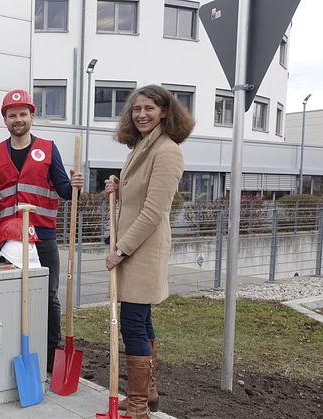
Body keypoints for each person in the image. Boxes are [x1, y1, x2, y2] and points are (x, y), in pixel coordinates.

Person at [104, 85, 194, 419]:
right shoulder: (142, 147)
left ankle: (139, 406)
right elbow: (138, 196)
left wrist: (122, 250)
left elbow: (154, 211)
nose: (141, 114)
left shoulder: (167, 151)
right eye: (137, 109)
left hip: (142, 250)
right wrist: (119, 186)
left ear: (165, 112)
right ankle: (148, 393)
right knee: (141, 320)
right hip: (132, 249)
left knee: (133, 325)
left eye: (149, 109)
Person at [0, 89, 85, 372]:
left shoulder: (49, 149)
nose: (18, 119)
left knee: (48, 296)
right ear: (5, 120)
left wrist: (74, 184)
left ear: (32, 116)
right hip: (7, 239)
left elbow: (63, 190)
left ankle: (52, 352)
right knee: (10, 295)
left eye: (23, 114)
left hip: (43, 236)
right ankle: (15, 348)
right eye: (12, 115)